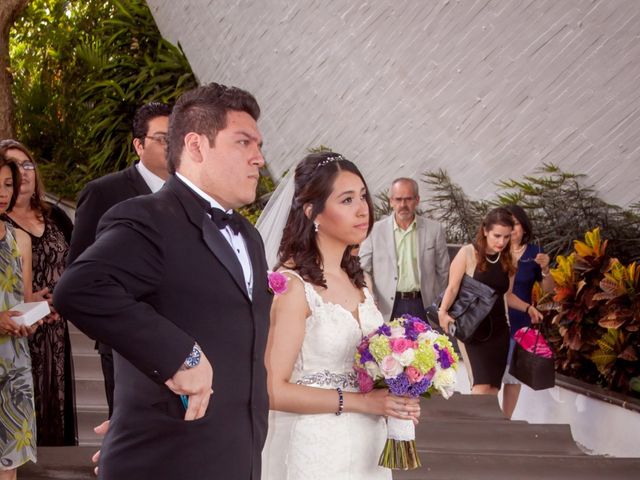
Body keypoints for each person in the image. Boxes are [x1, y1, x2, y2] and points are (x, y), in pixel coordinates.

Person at [54, 83, 272, 479]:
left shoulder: (251, 237)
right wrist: (181, 355)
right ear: (196, 145)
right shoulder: (147, 217)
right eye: (244, 143)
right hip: (166, 459)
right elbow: (80, 288)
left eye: (258, 145)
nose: (259, 158)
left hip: (237, 456)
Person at [259, 152, 420, 479]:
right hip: (315, 448)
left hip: (368, 449)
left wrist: (399, 390)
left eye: (363, 196)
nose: (363, 209)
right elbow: (271, 389)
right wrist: (365, 403)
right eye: (347, 200)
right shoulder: (293, 287)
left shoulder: (362, 281)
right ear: (312, 212)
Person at [66, 102, 171, 417]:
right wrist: (108, 331)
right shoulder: (104, 193)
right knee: (129, 436)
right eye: (163, 138)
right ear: (138, 144)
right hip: (124, 342)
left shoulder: (190, 195)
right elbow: (78, 271)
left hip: (183, 336)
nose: (172, 145)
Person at [0, 139, 77, 446]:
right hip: (17, 327)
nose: (24, 173)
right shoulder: (6, 227)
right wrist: (29, 303)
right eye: (14, 169)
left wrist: (67, 299)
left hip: (54, 329)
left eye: (28, 165)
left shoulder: (58, 217)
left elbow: (80, 263)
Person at [437, 207, 543, 397]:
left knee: (493, 390)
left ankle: (485, 427)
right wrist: (443, 312)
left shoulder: (509, 258)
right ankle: (472, 425)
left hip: (500, 331)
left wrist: (528, 308)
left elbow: (507, 295)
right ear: (485, 231)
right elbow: (452, 288)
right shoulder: (468, 253)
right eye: (497, 236)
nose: (501, 242)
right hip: (472, 330)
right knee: (481, 387)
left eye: (506, 237)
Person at [359, 177, 449, 323]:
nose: (403, 205)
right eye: (398, 199)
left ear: (417, 200)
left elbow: (443, 271)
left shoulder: (434, 230)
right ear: (391, 201)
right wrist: (371, 297)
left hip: (424, 305)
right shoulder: (374, 231)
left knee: (427, 346)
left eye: (408, 199)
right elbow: (363, 269)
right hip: (387, 307)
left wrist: (439, 303)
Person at [0, 153, 39, 479]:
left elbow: (24, 301)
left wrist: (32, 317)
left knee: (9, 465)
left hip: (14, 365)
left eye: (8, 185)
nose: (2, 192)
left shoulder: (20, 239)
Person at [502, 204, 554, 418]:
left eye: (514, 224)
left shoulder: (534, 253)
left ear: (524, 226)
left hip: (520, 320)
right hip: (495, 318)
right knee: (493, 372)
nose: (511, 229)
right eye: (507, 224)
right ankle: (487, 418)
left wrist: (545, 269)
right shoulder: (497, 249)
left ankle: (506, 419)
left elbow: (548, 290)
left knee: (513, 374)